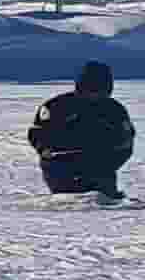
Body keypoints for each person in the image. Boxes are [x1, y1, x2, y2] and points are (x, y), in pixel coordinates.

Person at [28, 58, 136, 205]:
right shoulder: (56, 106)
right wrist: (46, 152)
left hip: (100, 170)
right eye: (91, 88)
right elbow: (38, 133)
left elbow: (126, 141)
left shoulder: (114, 110)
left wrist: (105, 163)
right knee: (71, 202)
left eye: (100, 89)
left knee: (102, 202)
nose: (95, 94)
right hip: (59, 168)